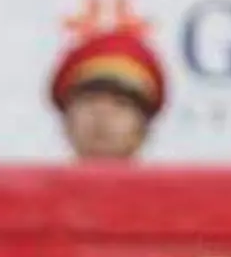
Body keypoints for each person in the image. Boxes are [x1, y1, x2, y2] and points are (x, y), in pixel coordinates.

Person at [49, 24, 167, 162]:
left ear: (144, 128)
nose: (102, 115)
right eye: (89, 101)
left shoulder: (170, 185)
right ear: (67, 121)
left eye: (120, 104)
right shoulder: (29, 184)